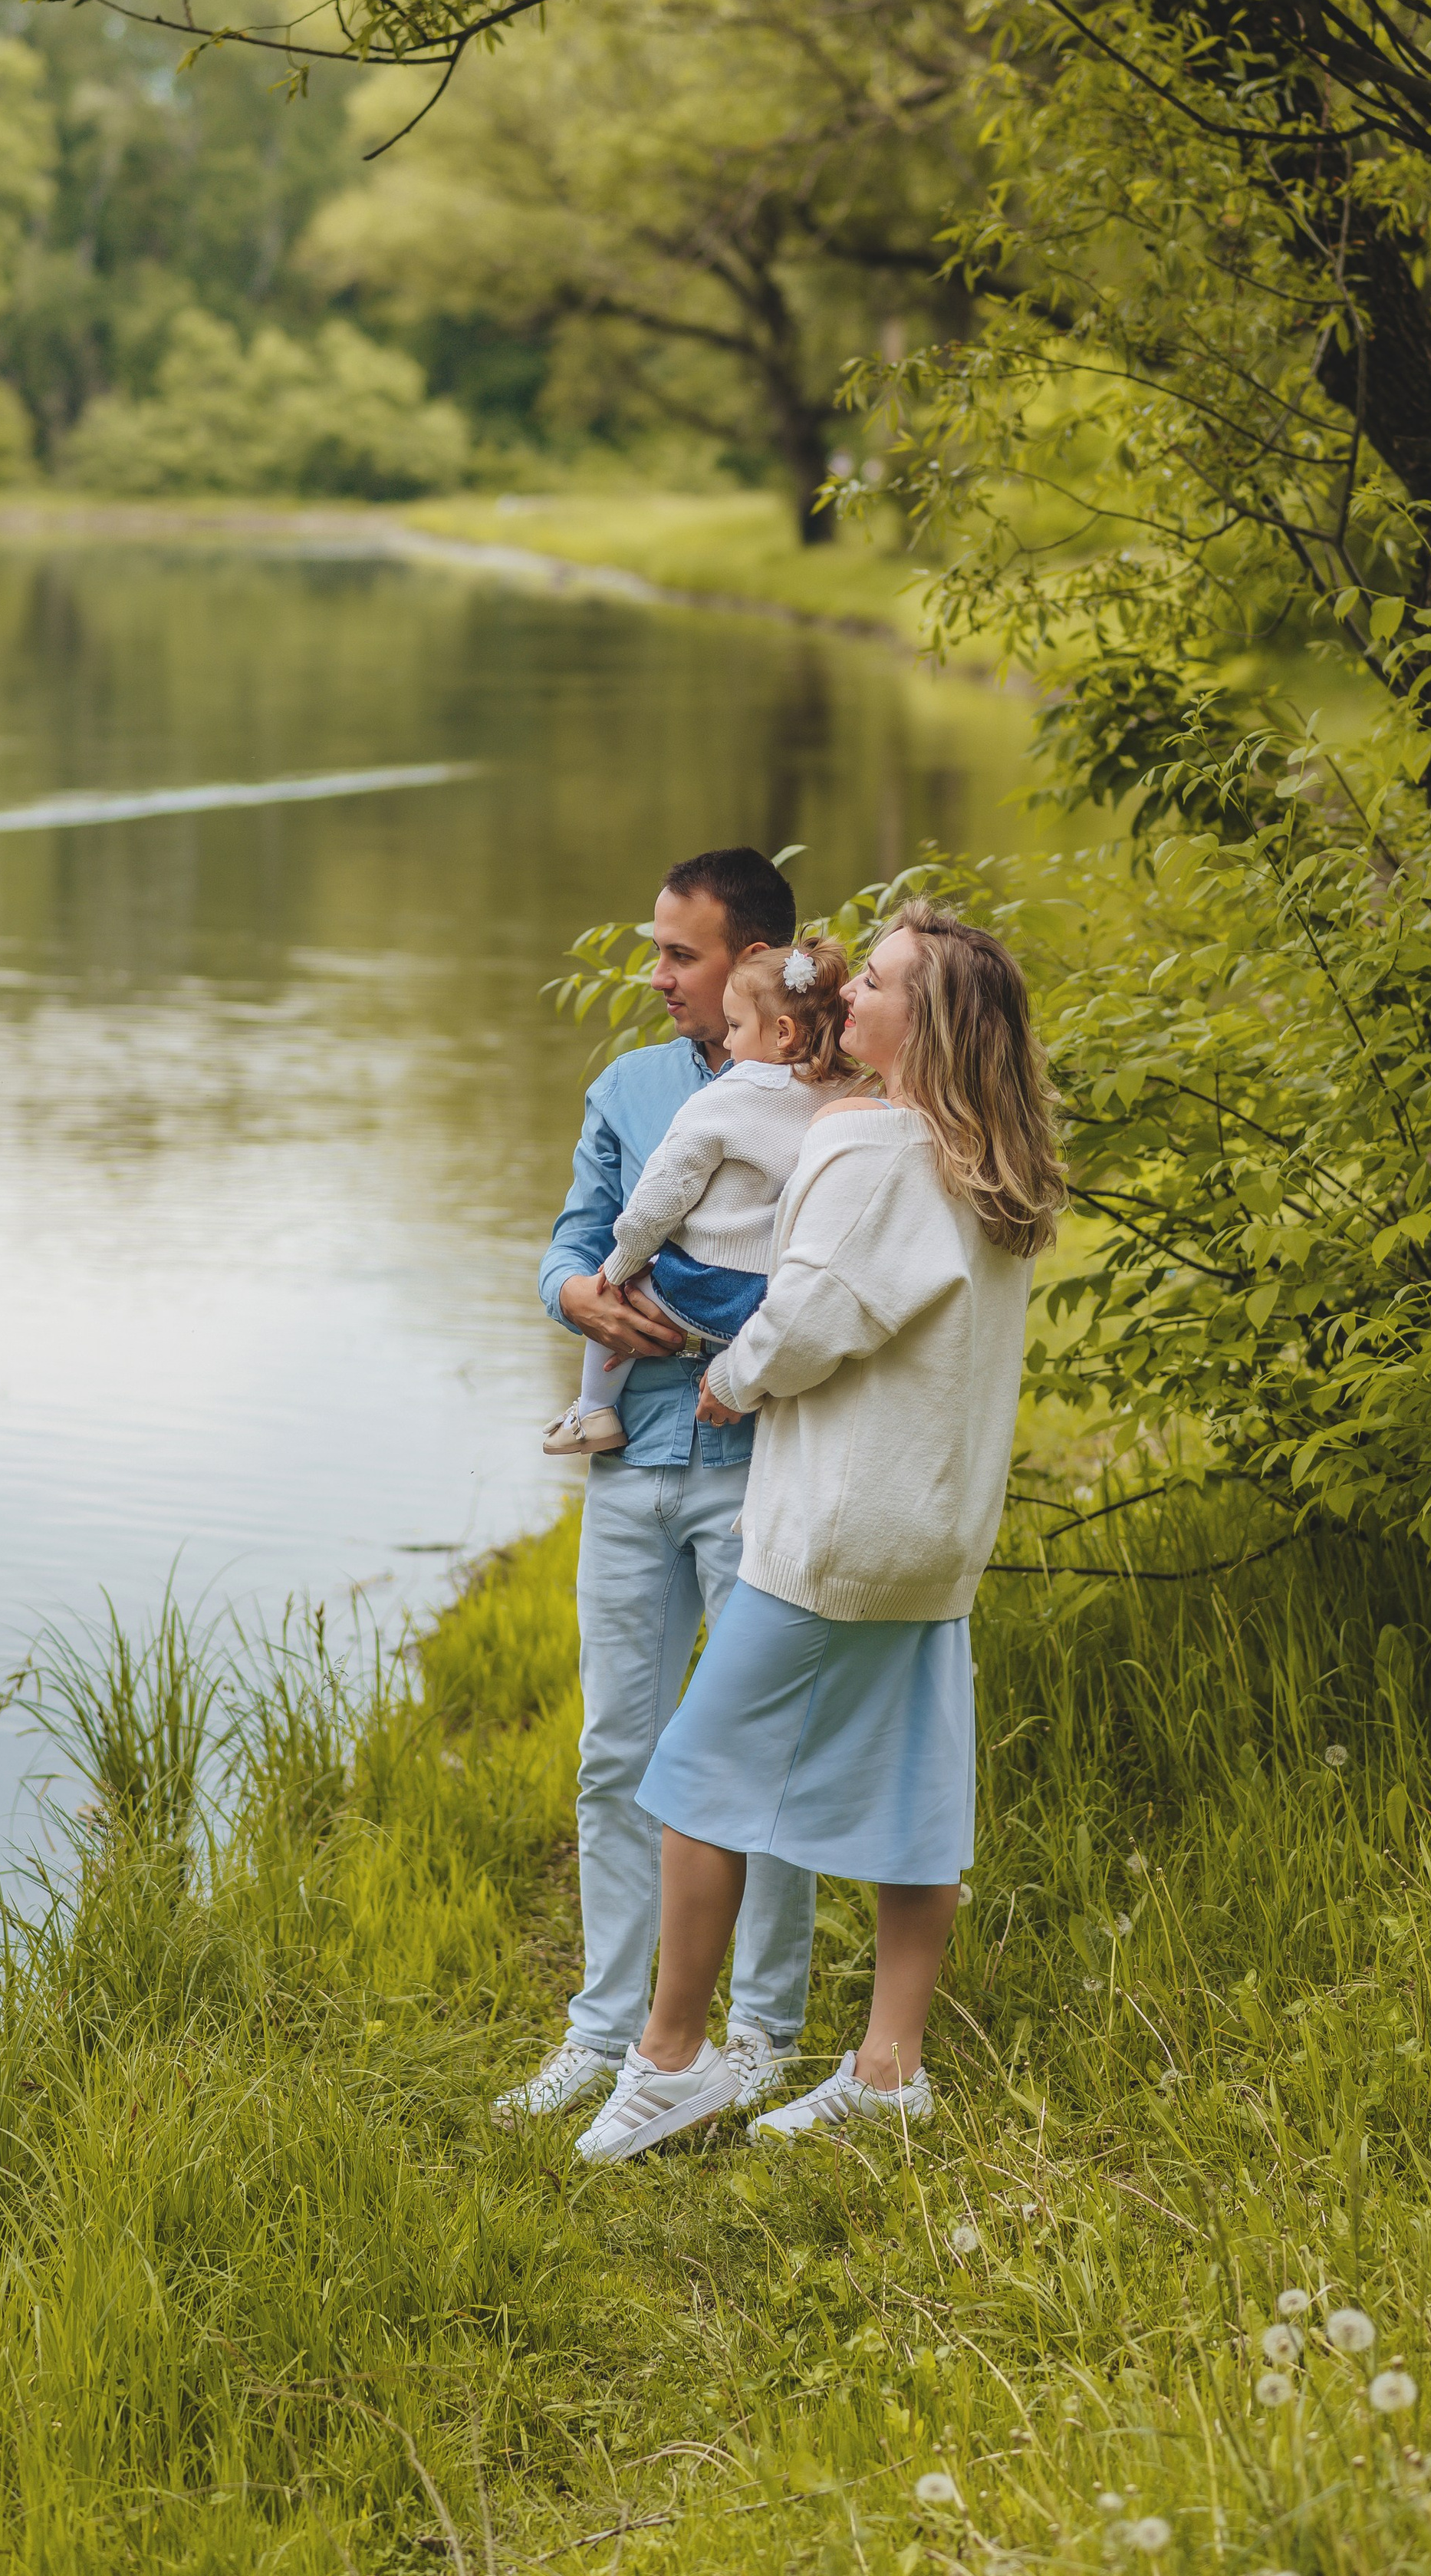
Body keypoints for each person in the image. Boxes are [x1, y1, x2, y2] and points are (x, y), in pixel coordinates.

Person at [573, 901, 1065, 2163]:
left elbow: (810, 1317)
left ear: (929, 1022)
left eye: (880, 986)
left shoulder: (873, 1149)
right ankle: (888, 2067)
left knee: (690, 1777)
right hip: (935, 1536)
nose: (849, 998)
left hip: (837, 1533)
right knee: (915, 1793)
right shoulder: (989, 1164)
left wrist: (731, 1379)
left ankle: (670, 2060)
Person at [492, 848, 822, 2125]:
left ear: (752, 962)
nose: (657, 975)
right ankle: (607, 2032)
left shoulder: (828, 1090)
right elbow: (579, 1236)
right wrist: (570, 1290)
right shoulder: (630, 1085)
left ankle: (762, 2034)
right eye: (656, 948)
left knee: (761, 1754)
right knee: (615, 1746)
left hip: (764, 1463)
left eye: (679, 954)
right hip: (630, 1464)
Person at [541, 937, 853, 1455]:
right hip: (775, 1300)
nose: (729, 1046)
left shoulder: (727, 1095)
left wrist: (618, 1268)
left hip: (707, 1288)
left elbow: (659, 1200)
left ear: (782, 1033)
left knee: (623, 1287)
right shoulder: (850, 1094)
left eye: (735, 1028)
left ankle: (594, 1411)